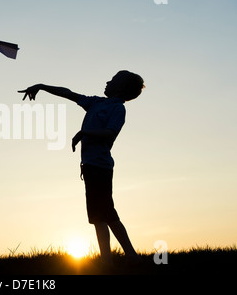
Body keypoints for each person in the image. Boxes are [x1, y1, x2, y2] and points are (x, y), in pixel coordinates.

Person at [18, 70, 145, 267]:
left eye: (112, 80)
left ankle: (129, 256)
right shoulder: (96, 103)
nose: (107, 81)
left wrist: (84, 132)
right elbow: (68, 93)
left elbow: (109, 133)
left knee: (108, 214)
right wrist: (41, 86)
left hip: (101, 166)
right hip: (90, 166)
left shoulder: (118, 109)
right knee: (98, 216)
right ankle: (109, 260)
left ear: (120, 87)